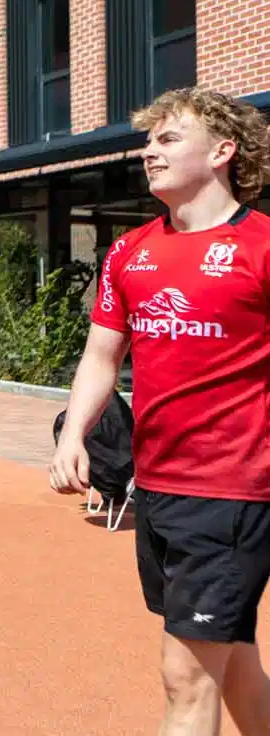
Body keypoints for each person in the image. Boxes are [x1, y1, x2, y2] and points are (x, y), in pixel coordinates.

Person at [50, 87, 270, 736]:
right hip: (158, 489)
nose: (149, 152)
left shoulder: (261, 248)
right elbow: (100, 357)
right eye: (147, 141)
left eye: (168, 139)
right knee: (229, 662)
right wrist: (76, 432)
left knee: (185, 675)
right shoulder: (129, 253)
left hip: (233, 492)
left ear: (223, 151)